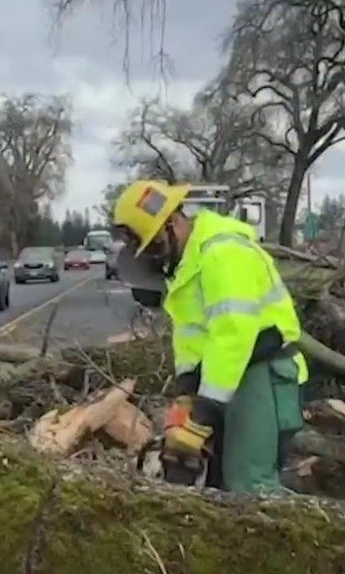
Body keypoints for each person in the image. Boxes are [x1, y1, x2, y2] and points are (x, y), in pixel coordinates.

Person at [110, 179, 307, 493]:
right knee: (218, 483)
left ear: (173, 223)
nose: (156, 257)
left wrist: (206, 409)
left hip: (262, 370)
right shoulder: (188, 264)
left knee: (250, 485)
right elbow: (191, 336)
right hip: (227, 373)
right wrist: (188, 389)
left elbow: (233, 332)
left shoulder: (222, 251)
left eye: (156, 246)